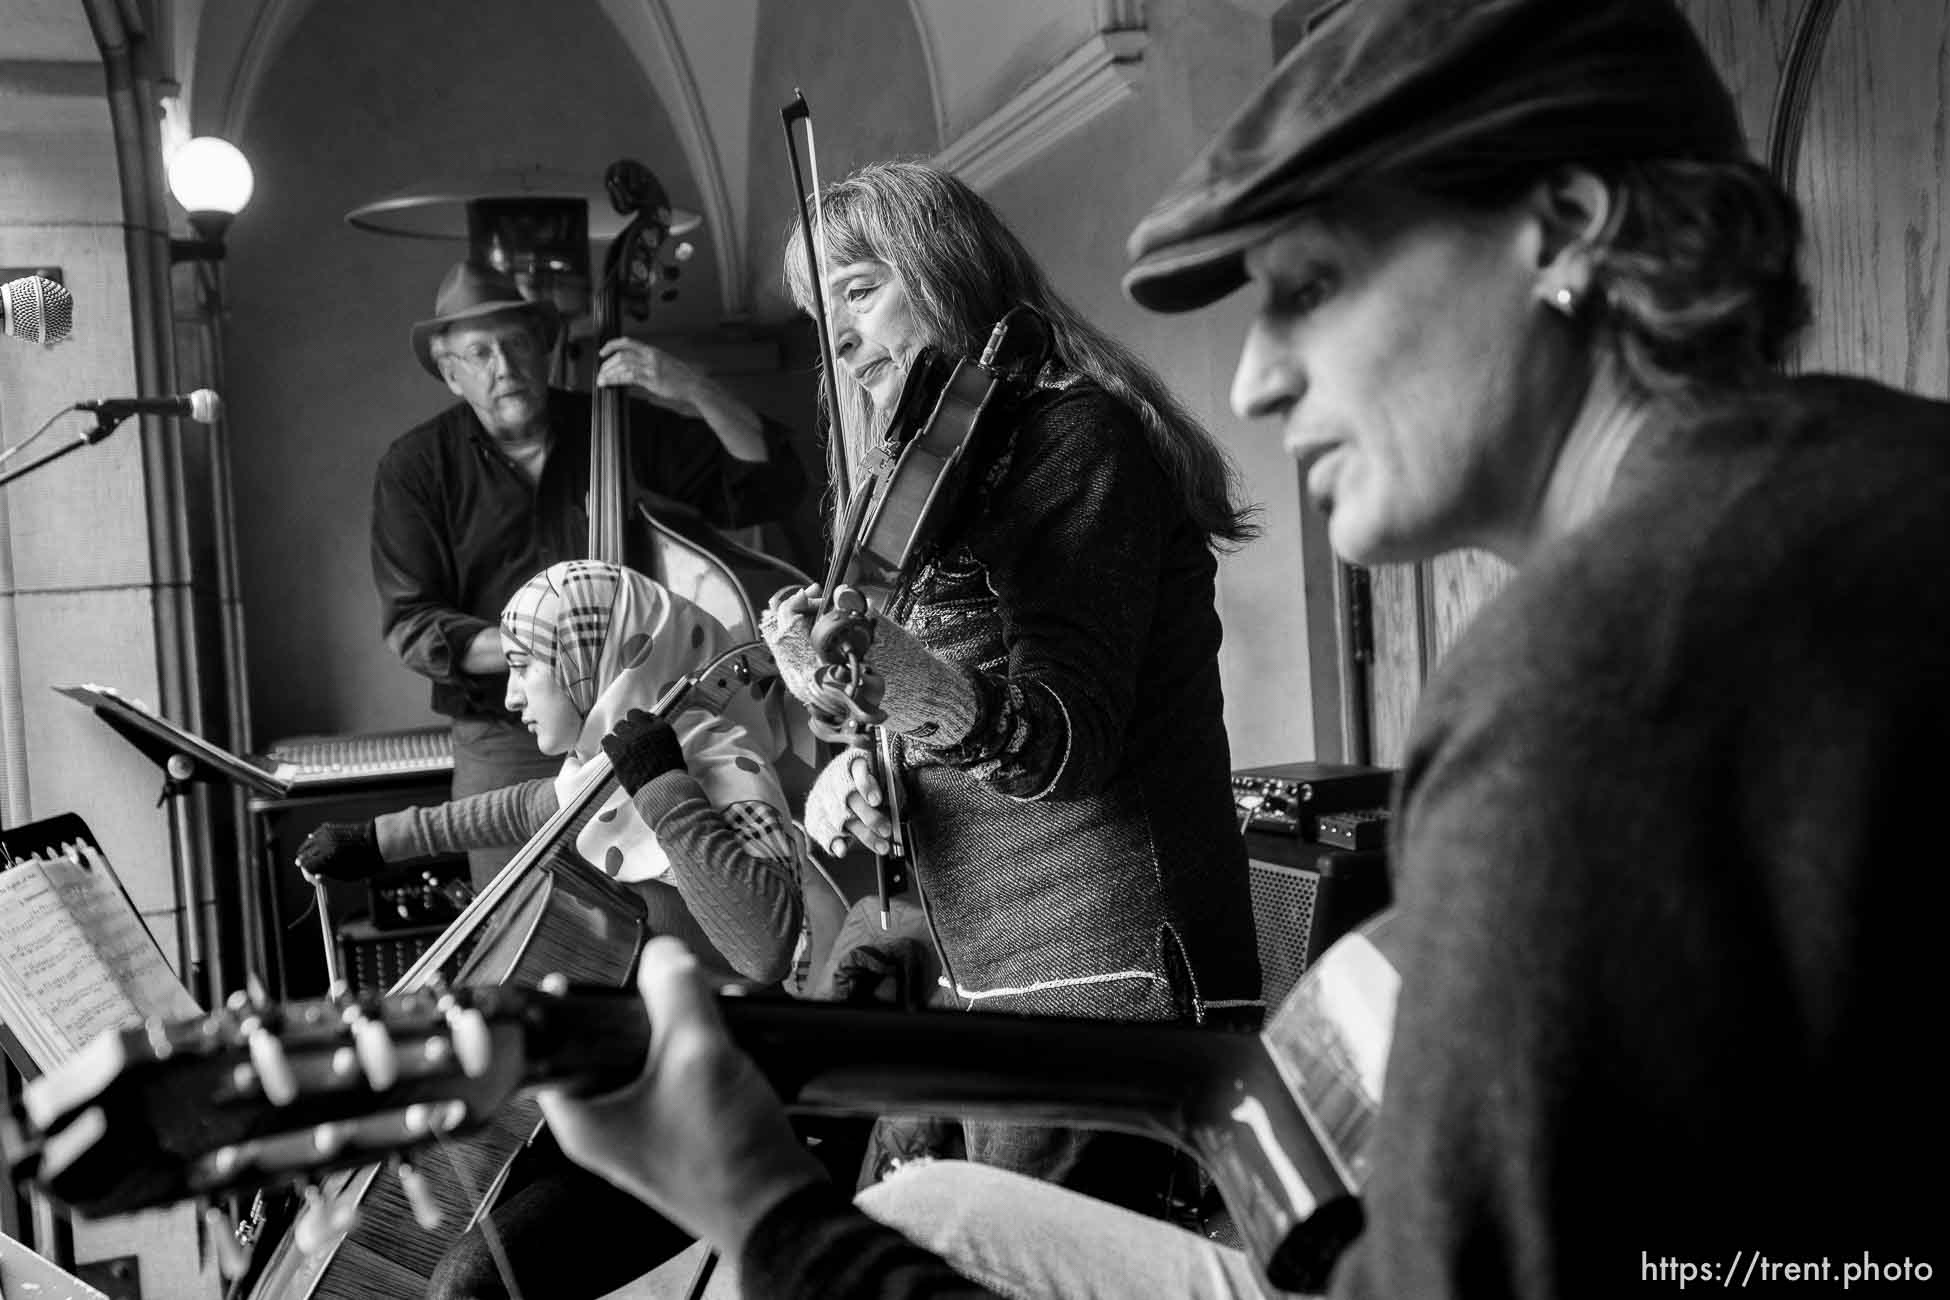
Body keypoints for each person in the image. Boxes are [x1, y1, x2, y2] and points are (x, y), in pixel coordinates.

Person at [536, 0, 1946, 1297]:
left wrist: (761, 1202)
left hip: (1091, 953)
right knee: (937, 1205)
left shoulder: (1589, 667)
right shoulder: (1866, 496)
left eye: (1310, 283)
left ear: (1565, 224)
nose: (1260, 375)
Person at [758, 160, 1265, 1215]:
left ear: (943, 270)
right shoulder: (932, 489)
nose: (841, 341)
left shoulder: (1077, 436)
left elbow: (1062, 743)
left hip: (1107, 970)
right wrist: (876, 776)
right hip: (988, 970)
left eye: (860, 290)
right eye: (822, 317)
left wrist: (898, 682)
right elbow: (954, 733)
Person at [300, 558, 807, 1299]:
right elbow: (509, 811)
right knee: (437, 1217)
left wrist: (667, 790)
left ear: (591, 662)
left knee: (469, 1280)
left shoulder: (712, 766)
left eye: (523, 668)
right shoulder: (593, 781)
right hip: (600, 1091)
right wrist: (374, 842)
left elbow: (763, 949)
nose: (509, 696)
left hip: (704, 1107)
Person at [371, 260, 807, 886]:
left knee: (685, 905)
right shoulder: (414, 470)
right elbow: (414, 627)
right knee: (516, 914)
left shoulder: (617, 427)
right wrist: (548, 655)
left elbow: (770, 484)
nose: (503, 367)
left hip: (648, 721)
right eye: (479, 352)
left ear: (544, 348)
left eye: (517, 344)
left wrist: (693, 388)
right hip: (507, 732)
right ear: (450, 372)